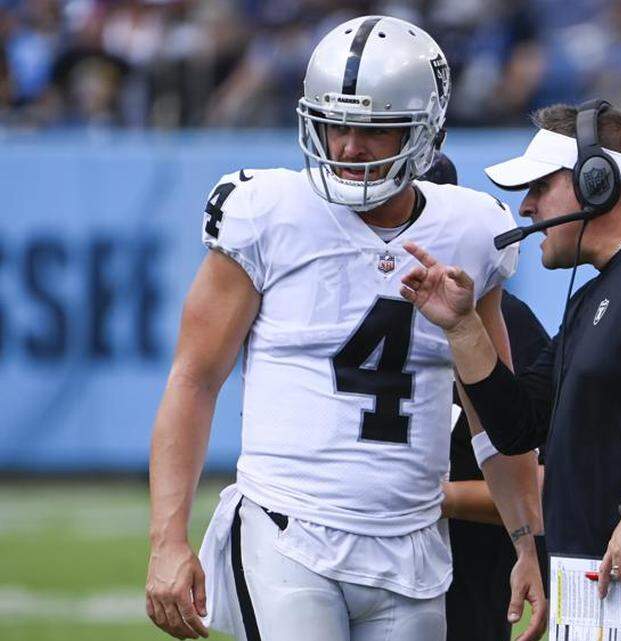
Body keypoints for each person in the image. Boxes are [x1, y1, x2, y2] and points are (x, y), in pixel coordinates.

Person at [144, 16, 546, 641]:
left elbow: (489, 414)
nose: (348, 147)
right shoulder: (264, 214)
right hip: (288, 526)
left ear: (425, 130)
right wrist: (167, 540)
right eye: (336, 124)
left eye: (375, 129)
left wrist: (525, 539)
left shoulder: (471, 228)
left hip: (413, 544)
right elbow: (193, 381)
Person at [399, 101, 621, 641]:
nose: (526, 208)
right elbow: (519, 424)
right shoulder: (599, 290)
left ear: (596, 182)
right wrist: (463, 327)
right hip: (603, 598)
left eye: (540, 188)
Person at [419, 152, 554, 641]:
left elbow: (542, 486)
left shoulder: (511, 326)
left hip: (473, 586)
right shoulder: (338, 311)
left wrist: (432, 499)